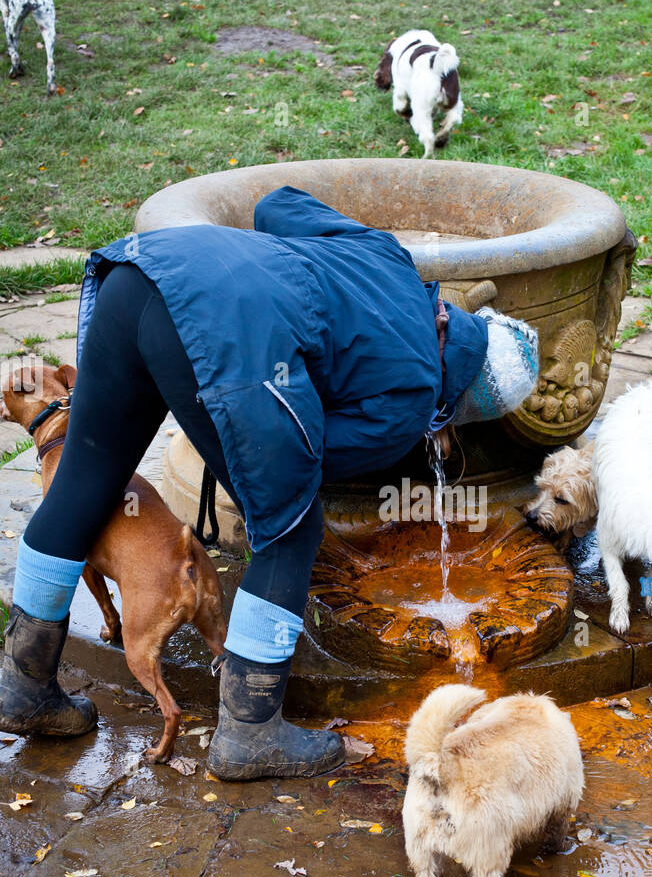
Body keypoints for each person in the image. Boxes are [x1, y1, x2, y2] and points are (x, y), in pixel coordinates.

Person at [0, 186, 539, 781]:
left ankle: (23, 687)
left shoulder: (388, 257)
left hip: (141, 277)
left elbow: (277, 205)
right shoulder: (414, 395)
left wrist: (285, 284)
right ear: (463, 396)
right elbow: (309, 459)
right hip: (217, 335)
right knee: (292, 523)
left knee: (87, 478)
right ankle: (250, 732)